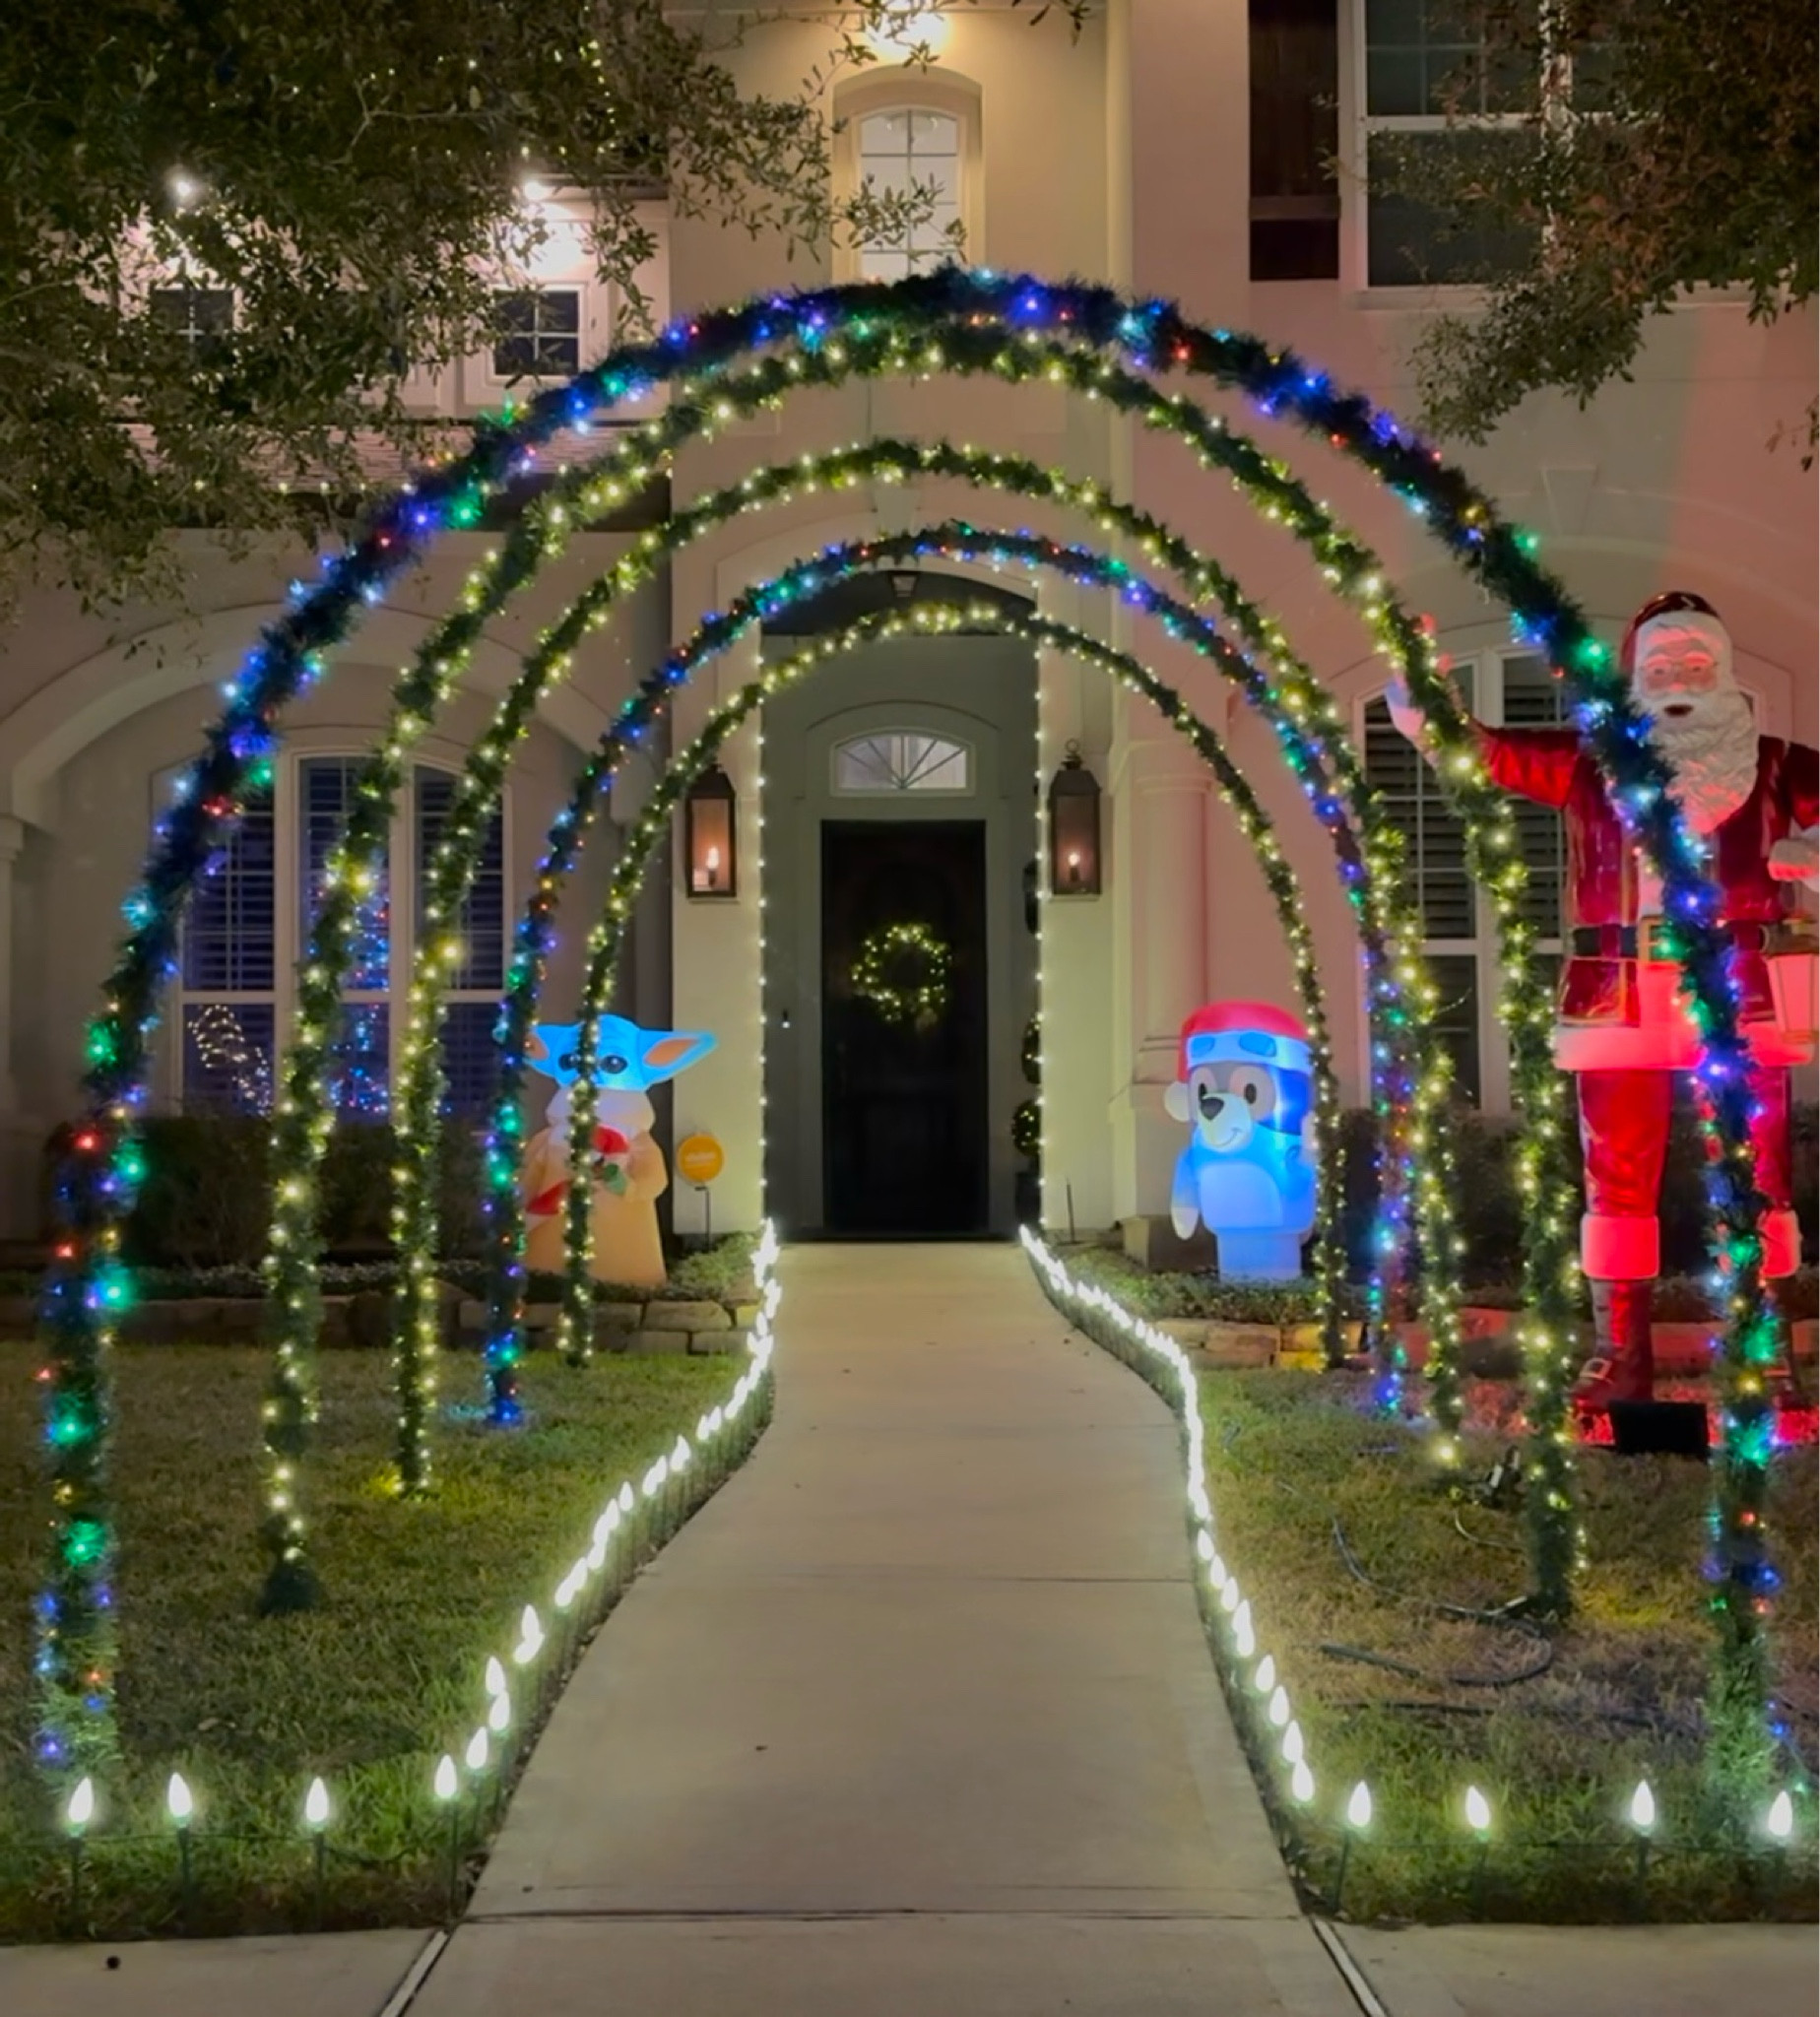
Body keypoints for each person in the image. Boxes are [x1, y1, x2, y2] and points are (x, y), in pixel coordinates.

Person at [1386, 591, 1817, 1404]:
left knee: (1758, 1172)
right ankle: (1623, 1357)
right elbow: (1486, 753)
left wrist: (1805, 857)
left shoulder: (1775, 764)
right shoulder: (1592, 762)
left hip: (1741, 995)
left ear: (1723, 673)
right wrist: (1422, 701)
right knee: (1616, 1179)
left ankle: (1764, 1349)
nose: (1680, 680)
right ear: (1635, 681)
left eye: (1696, 665)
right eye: (1662, 667)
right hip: (1621, 999)